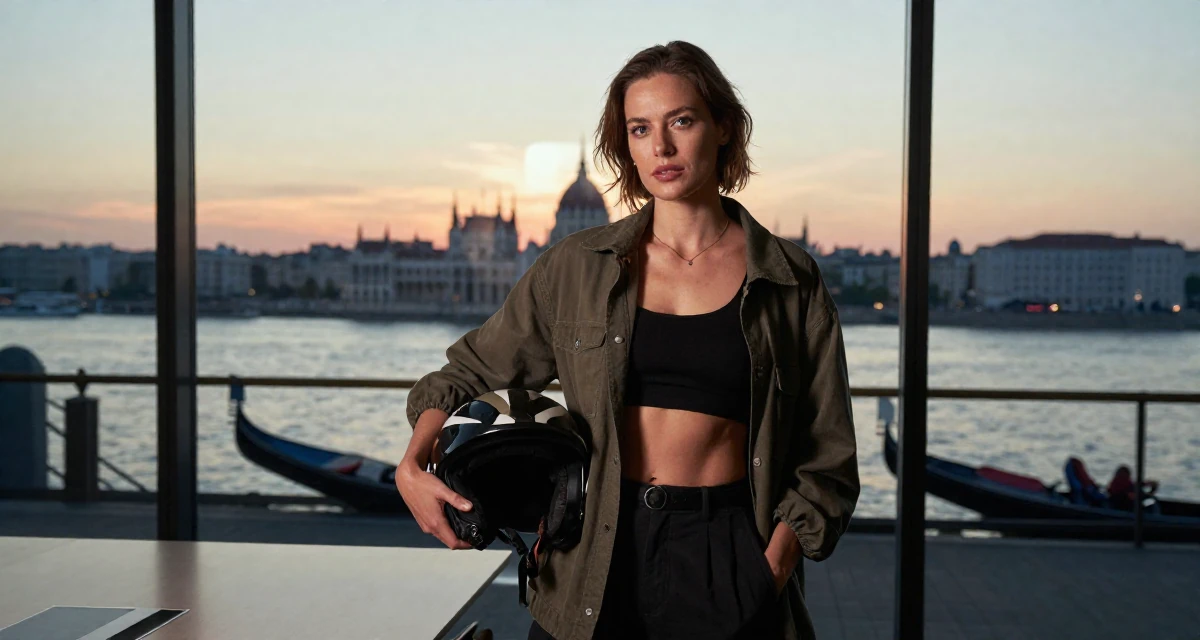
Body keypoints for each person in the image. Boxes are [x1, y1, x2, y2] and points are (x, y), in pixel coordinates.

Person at [396, 40, 859, 640]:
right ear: (627, 146)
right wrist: (412, 464)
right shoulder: (575, 269)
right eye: (640, 129)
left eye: (681, 122)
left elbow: (828, 453)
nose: (661, 147)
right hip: (593, 549)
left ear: (722, 128)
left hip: (726, 552)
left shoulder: (789, 279)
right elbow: (465, 373)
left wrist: (768, 570)